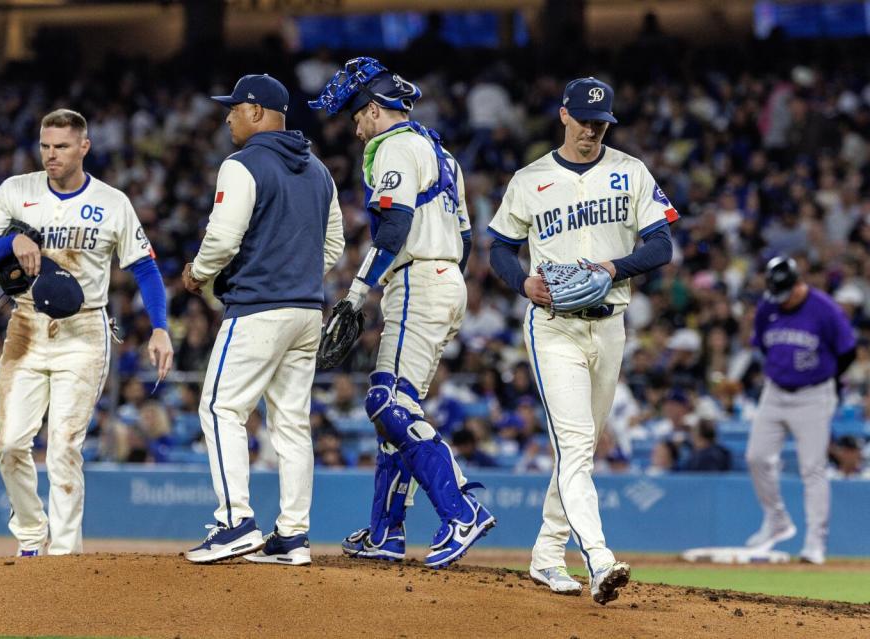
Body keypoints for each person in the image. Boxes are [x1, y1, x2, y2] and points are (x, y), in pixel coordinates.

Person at [488, 77, 675, 603]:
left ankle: (547, 556)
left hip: (609, 323)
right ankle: (599, 558)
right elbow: (499, 246)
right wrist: (521, 282)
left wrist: (614, 266)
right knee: (575, 448)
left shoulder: (630, 171)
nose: (592, 129)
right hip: (553, 327)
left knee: (581, 451)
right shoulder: (531, 178)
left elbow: (661, 246)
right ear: (564, 115)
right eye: (585, 119)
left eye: (601, 122)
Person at [309, 56, 494, 569]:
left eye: (356, 113)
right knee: (397, 412)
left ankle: (461, 510)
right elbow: (462, 236)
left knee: (383, 401)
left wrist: (356, 291)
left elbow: (392, 230)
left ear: (374, 109)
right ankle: (387, 533)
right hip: (441, 276)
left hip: (418, 278)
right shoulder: (439, 150)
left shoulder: (392, 147)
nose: (354, 123)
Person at [0, 108, 174, 556]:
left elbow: (145, 268)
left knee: (63, 445)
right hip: (25, 325)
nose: (51, 155)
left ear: (84, 147)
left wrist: (159, 328)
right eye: (45, 145)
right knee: (9, 443)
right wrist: (12, 241)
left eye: (61, 146)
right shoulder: (17, 190)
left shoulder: (113, 201)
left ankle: (63, 558)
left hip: (84, 330)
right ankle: (31, 536)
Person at [182, 74, 344, 566]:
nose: (228, 116)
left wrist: (198, 273)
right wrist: (297, 273)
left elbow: (224, 237)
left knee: (218, 409)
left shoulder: (242, 163)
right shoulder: (318, 169)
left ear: (256, 111)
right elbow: (333, 244)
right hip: (306, 309)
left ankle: (235, 523)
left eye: (233, 108)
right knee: (292, 422)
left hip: (258, 308)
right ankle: (293, 536)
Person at [745, 256, 856, 565]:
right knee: (755, 456)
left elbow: (847, 351)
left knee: (813, 469)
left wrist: (825, 380)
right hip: (775, 391)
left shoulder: (825, 308)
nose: (782, 300)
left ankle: (815, 544)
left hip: (814, 395)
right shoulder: (768, 306)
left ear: (798, 283)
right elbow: (765, 347)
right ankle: (777, 519)